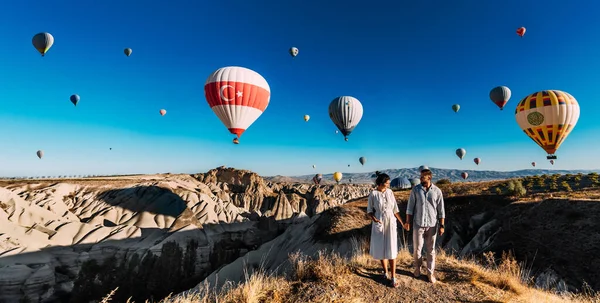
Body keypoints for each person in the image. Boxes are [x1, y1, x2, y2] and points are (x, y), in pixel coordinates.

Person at [404, 169, 445, 284]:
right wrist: (407, 222)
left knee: (430, 250)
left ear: (429, 178)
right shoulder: (415, 190)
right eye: (420, 177)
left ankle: (430, 273)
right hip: (418, 224)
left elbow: (441, 210)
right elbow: (409, 208)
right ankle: (417, 268)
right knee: (417, 249)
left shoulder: (437, 191)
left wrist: (442, 225)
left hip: (432, 225)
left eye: (423, 177)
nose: (420, 179)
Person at [367, 172, 406, 288]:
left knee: (392, 249)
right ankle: (385, 272)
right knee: (381, 248)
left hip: (391, 222)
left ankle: (393, 277)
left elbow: (395, 209)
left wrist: (402, 222)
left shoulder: (390, 192)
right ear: (381, 182)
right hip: (379, 222)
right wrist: (375, 219)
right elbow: (369, 211)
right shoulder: (373, 194)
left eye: (389, 182)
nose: (389, 184)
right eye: (387, 182)